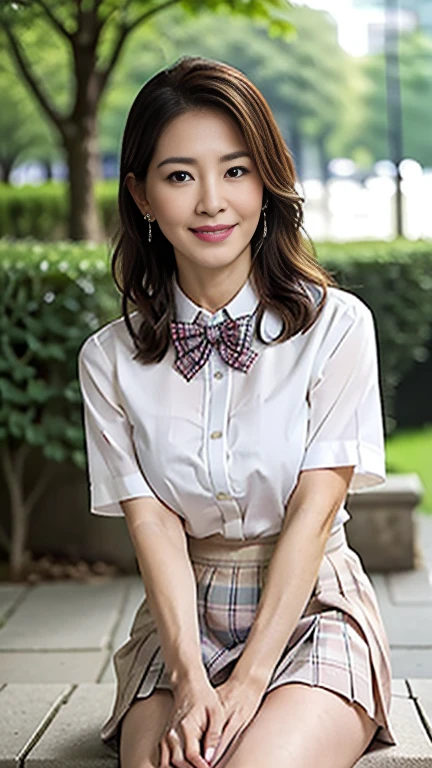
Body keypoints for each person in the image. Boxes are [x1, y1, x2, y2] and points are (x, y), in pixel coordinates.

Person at [78, 55, 398, 768]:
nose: (211, 202)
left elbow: (316, 513)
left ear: (267, 182)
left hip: (313, 608)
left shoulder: (338, 328)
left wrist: (251, 679)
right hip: (180, 623)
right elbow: (152, 526)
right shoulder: (108, 361)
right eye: (180, 175)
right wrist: (190, 680)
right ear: (141, 196)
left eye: (235, 170)